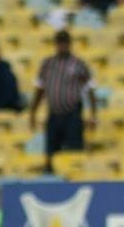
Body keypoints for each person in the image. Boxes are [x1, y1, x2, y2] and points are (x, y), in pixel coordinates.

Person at [29, 30, 98, 174]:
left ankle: (75, 176)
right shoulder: (47, 64)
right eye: (60, 43)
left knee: (74, 151)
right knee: (51, 151)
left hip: (72, 114)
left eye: (65, 42)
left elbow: (90, 89)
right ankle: (51, 176)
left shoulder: (78, 64)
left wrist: (93, 114)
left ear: (69, 44)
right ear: (56, 44)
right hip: (53, 113)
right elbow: (40, 89)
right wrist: (33, 112)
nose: (62, 46)